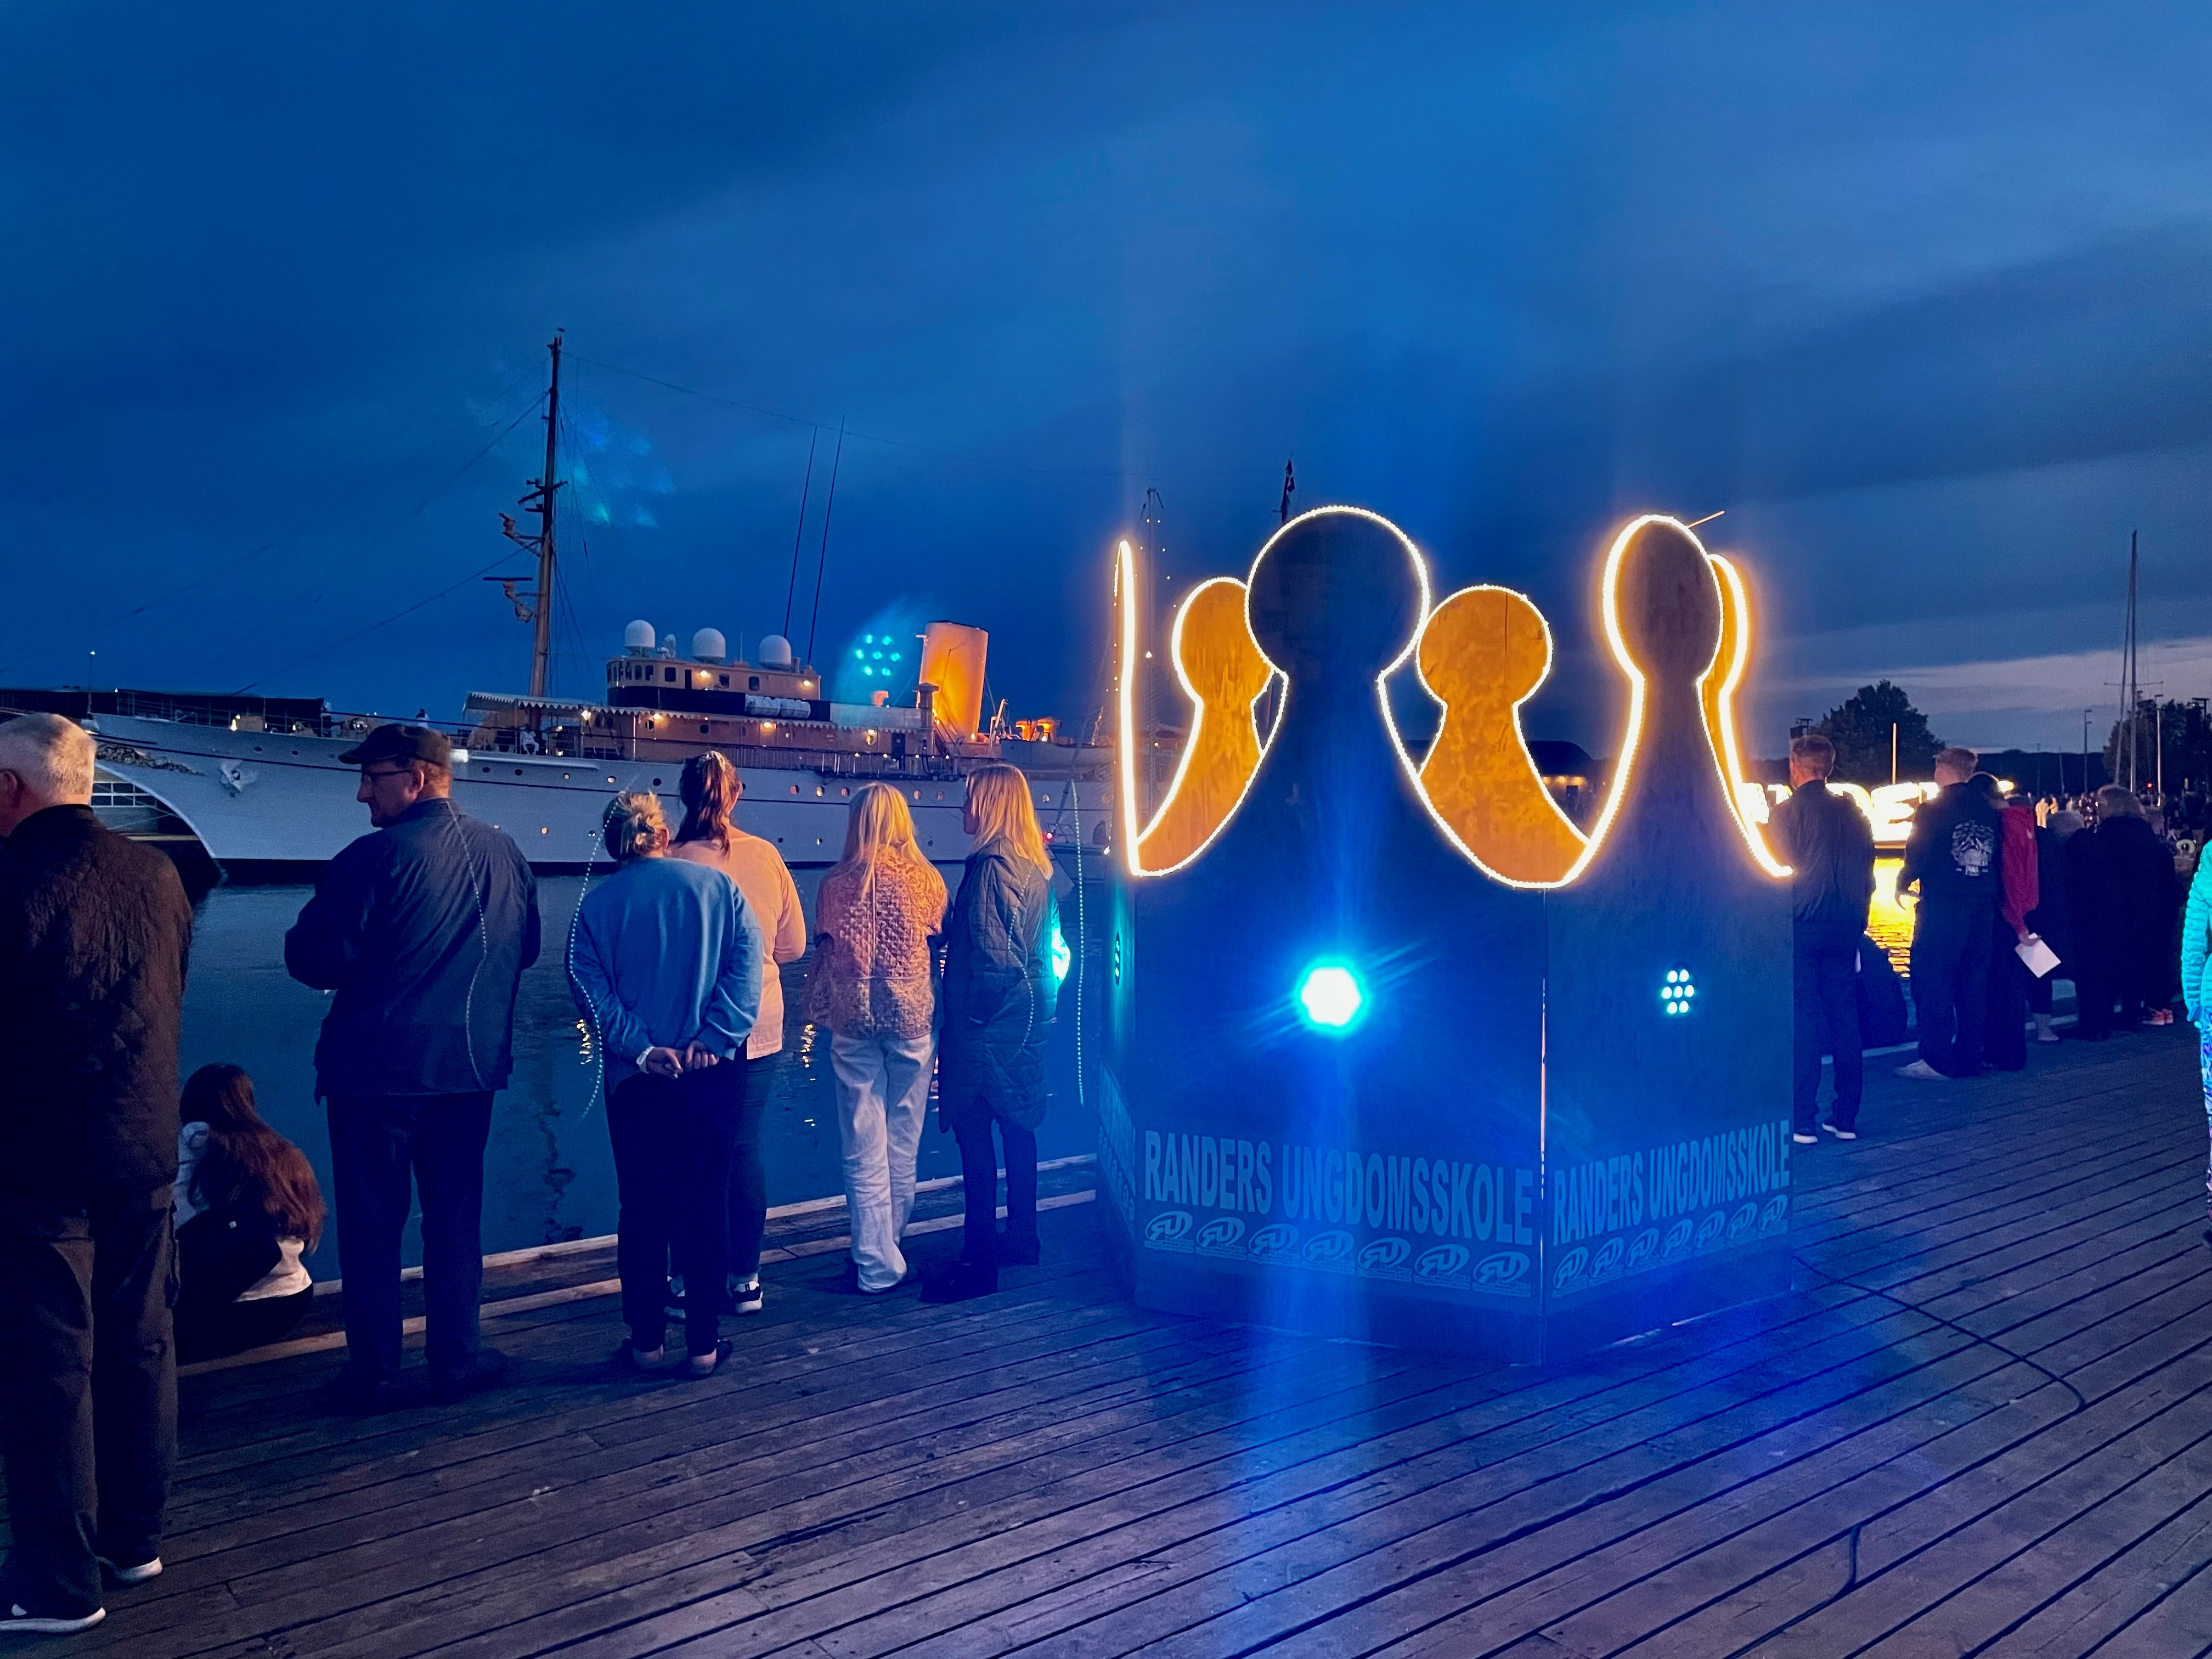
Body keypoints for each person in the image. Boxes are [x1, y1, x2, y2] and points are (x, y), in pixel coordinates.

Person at [0, 714, 193, 1634]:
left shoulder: (11, 879)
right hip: (143, 1149)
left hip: (38, 1161)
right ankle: (133, 1535)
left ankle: (57, 1584)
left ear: (9, 789)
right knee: (139, 1343)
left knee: (49, 1366)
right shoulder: (160, 877)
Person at [284, 723, 539, 1413]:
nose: (362, 794)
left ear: (417, 779)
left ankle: (374, 1373)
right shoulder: (506, 853)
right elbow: (526, 949)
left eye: (373, 778)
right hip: (469, 1070)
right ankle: (457, 1361)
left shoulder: (371, 858)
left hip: (376, 1074)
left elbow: (315, 961)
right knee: (455, 1219)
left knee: (372, 1225)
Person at [569, 793, 763, 1376]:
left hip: (638, 1080)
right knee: (706, 1202)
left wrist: (643, 1048)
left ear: (613, 844)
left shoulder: (596, 907)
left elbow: (587, 988)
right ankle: (703, 1345)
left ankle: (646, 1343)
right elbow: (747, 969)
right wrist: (714, 1037)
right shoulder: (720, 889)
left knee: (642, 1207)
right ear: (662, 835)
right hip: (712, 1074)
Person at [669, 753, 805, 1318]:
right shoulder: (766, 856)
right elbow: (793, 947)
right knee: (744, 1150)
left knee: (688, 1153)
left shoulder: (669, 860)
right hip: (758, 1025)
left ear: (682, 796)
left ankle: (684, 1281)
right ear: (736, 795)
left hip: (688, 1031)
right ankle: (745, 1279)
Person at [924, 765, 1064, 1305]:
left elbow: (993, 963)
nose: (962, 809)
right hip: (1026, 1024)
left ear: (989, 806)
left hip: (987, 1034)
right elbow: (1048, 949)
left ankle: (978, 1262)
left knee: (975, 1140)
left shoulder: (990, 868)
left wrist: (968, 1020)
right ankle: (1023, 1239)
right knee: (1019, 1130)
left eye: (969, 801)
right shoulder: (1035, 867)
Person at [809, 782, 950, 1294]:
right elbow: (937, 936)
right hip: (911, 1018)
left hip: (853, 1019)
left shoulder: (834, 883)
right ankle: (886, 1248)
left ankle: (875, 1261)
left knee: (861, 1143)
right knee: (903, 1140)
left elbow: (823, 943)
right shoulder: (927, 879)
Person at [173, 1065, 324, 1363]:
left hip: (221, 1314)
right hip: (292, 1301)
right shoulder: (285, 1153)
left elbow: (175, 1229)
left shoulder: (187, 1155)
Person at [1767, 733, 1874, 1145]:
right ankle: (1845, 1118)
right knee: (1845, 1019)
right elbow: (1866, 873)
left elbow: (1779, 870)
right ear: (1828, 767)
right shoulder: (1856, 814)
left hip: (1802, 924)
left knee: (1804, 1019)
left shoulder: (1786, 813)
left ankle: (1803, 1120)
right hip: (1845, 926)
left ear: (1795, 767)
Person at [1897, 746, 2004, 1080]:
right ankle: (1970, 1056)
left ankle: (1936, 1058)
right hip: (1982, 904)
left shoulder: (1932, 809)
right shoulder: (1988, 809)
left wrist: (1903, 881)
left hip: (1944, 904)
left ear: (1943, 770)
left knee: (1933, 979)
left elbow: (1919, 850)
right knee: (1973, 982)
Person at [2069, 786, 2181, 1038]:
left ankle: (2100, 1020)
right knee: (2138, 964)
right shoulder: (2149, 839)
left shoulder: (2105, 838)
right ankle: (2132, 1014)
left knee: (2103, 966)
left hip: (2114, 911)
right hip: (2149, 912)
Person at [1980, 775, 2041, 1071]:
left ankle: (2002, 1052)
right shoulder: (2024, 823)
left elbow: (2010, 877)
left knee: (2001, 985)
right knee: (2017, 984)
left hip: (2009, 918)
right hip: (2026, 913)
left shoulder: (2003, 827)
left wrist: (2017, 923)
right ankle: (2016, 1049)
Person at [2026, 809, 2083, 1044]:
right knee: (2042, 975)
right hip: (2052, 916)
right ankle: (2045, 1029)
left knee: (2032, 975)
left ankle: (2039, 1029)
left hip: (2026, 917)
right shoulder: (2053, 843)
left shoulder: (2021, 840)